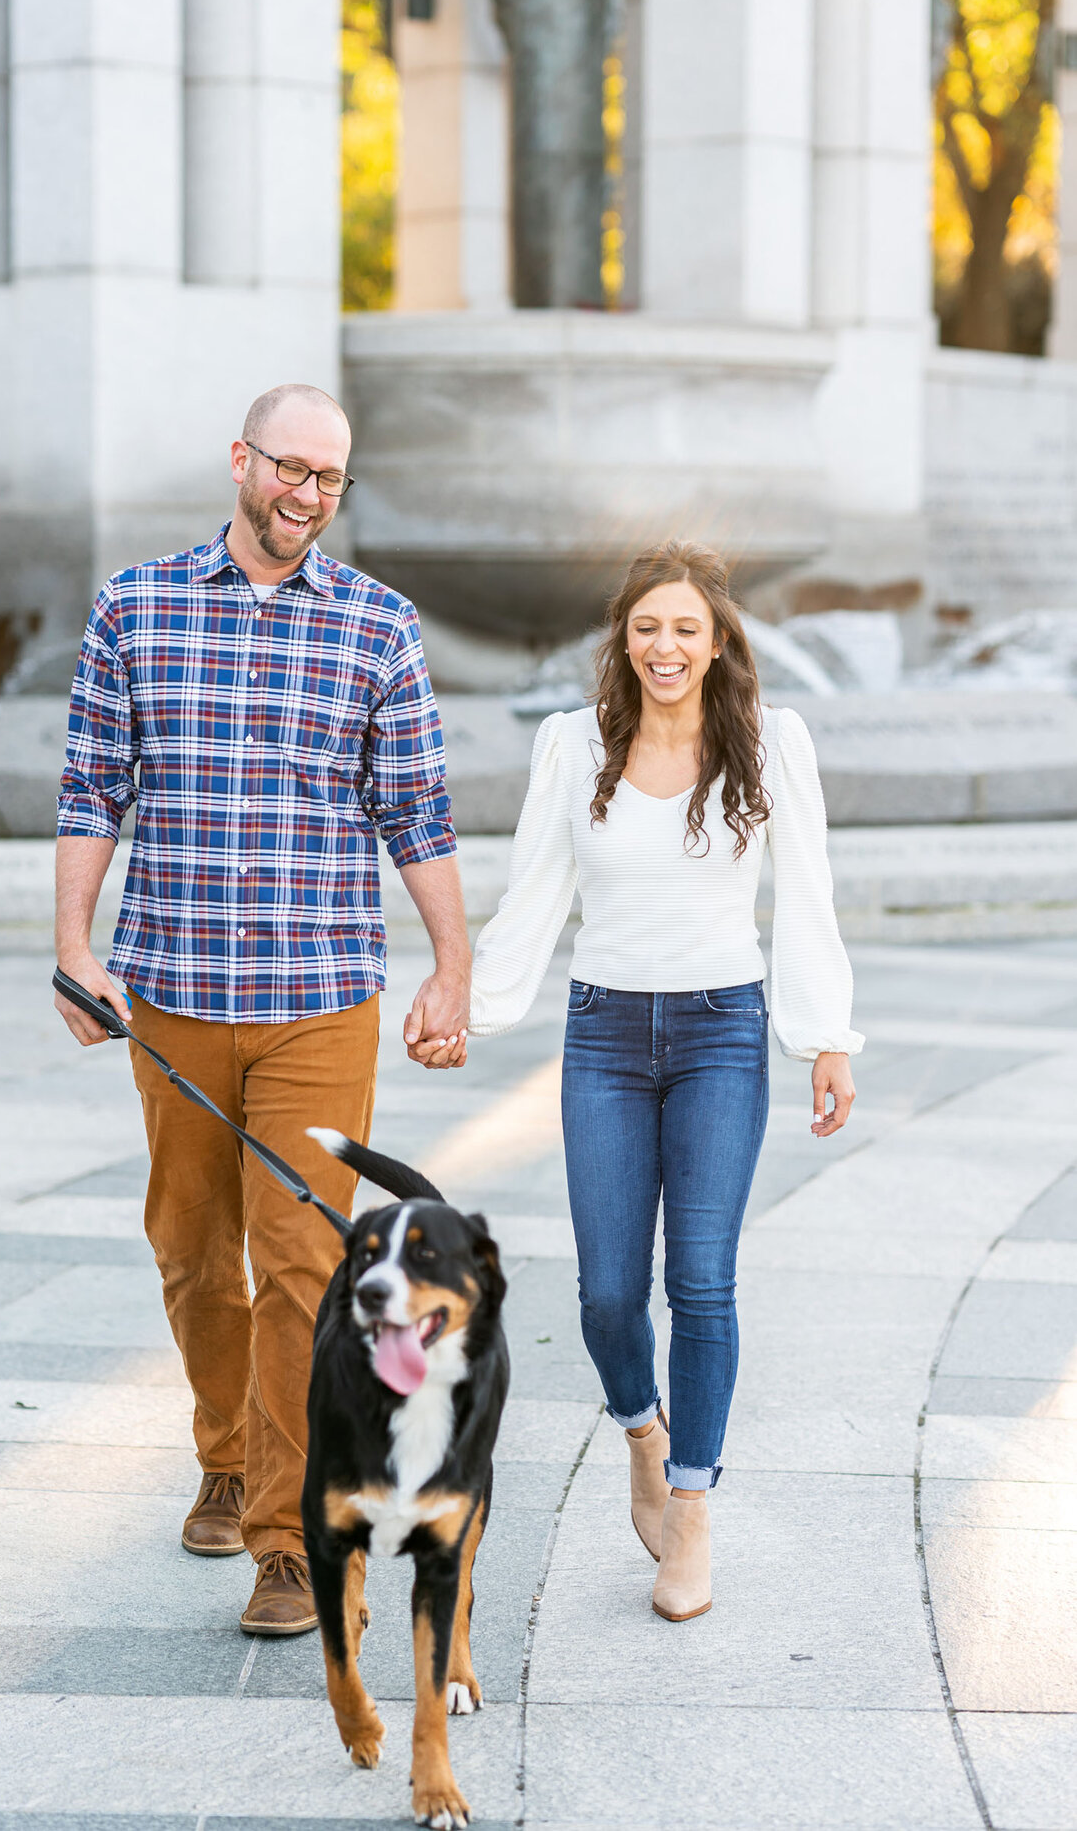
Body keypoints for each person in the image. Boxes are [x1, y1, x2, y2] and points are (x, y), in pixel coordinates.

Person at [52, 382, 472, 1638]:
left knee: (300, 1268)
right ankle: (225, 1456)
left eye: (329, 480)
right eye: (290, 468)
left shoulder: (377, 627)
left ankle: (285, 1540)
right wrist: (74, 944)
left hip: (318, 1000)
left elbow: (418, 811)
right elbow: (91, 786)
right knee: (189, 1250)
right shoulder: (137, 604)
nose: (306, 495)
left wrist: (450, 964)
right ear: (241, 460)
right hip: (173, 992)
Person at [466, 540, 860, 1622]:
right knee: (602, 1293)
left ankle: (689, 1510)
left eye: (685, 627)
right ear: (622, 640)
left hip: (721, 1035)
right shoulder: (573, 745)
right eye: (646, 628)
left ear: (718, 638)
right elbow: (534, 891)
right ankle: (643, 1429)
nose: (664, 647)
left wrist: (825, 1035)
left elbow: (808, 894)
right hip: (601, 1035)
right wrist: (472, 1006)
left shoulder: (769, 743)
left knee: (701, 1282)